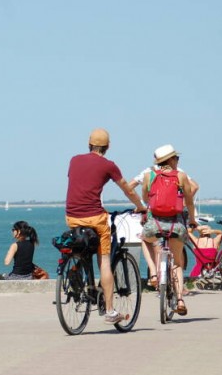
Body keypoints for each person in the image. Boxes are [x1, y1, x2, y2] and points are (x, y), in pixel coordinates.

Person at [65, 128, 147, 324]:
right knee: (104, 261)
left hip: (72, 216)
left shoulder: (74, 160)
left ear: (89, 143)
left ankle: (77, 271)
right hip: (96, 217)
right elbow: (127, 189)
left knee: (82, 247)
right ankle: (109, 311)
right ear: (108, 147)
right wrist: (140, 207)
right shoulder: (108, 165)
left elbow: (79, 185)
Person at [141, 145, 198, 315]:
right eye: (177, 158)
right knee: (178, 263)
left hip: (155, 225)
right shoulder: (181, 176)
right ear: (172, 160)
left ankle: (153, 273)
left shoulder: (148, 176)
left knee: (144, 239)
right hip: (176, 225)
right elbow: (189, 201)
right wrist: (193, 220)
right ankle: (180, 299)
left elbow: (145, 198)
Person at [128, 153, 200, 286]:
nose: (178, 161)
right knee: (177, 256)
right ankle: (178, 289)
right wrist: (182, 204)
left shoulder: (148, 173)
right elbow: (195, 187)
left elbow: (130, 186)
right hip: (175, 219)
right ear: (171, 159)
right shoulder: (179, 173)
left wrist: (143, 206)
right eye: (176, 158)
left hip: (153, 218)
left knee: (152, 243)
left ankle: (155, 275)